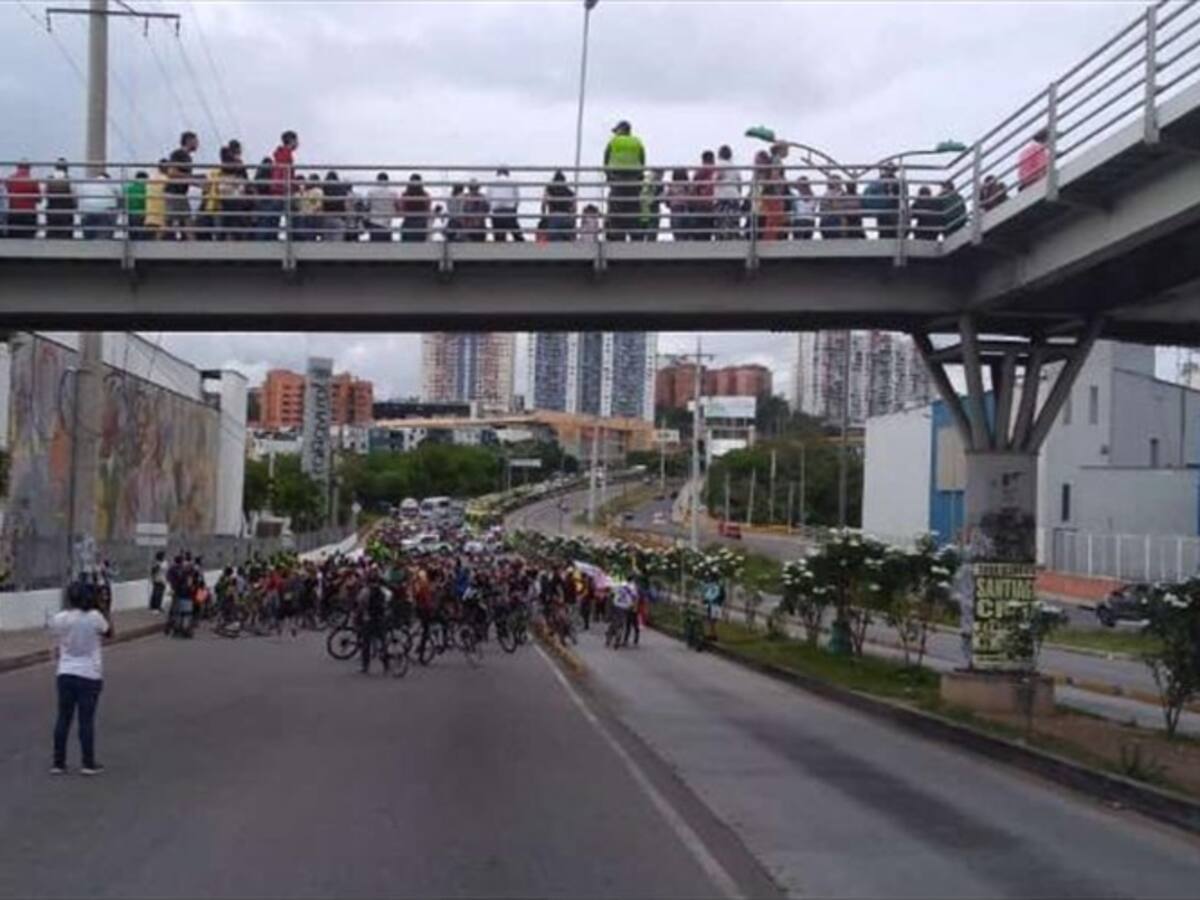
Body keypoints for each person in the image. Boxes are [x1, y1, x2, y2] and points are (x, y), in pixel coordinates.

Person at [50, 582, 113, 775]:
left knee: (63, 718)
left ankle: (58, 763)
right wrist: (103, 607)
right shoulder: (95, 618)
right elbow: (110, 632)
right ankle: (88, 762)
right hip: (89, 673)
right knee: (86, 720)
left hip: (66, 672)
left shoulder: (61, 618)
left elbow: (54, 633)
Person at [603, 120, 646, 242]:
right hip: (634, 185)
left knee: (616, 216)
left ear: (621, 130)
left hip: (617, 184)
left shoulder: (613, 142)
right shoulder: (637, 143)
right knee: (634, 215)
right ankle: (636, 243)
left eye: (616, 130)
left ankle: (617, 242)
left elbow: (606, 163)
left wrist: (610, 179)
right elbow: (642, 163)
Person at [165, 131, 199, 240]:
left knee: (184, 219)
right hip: (174, 193)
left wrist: (196, 182)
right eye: (196, 141)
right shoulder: (178, 154)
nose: (198, 144)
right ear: (189, 141)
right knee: (174, 221)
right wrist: (191, 178)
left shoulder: (188, 157)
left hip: (180, 193)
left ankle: (191, 243)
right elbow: (171, 172)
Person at [270, 129, 300, 237]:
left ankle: (273, 238)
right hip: (283, 190)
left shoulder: (280, 154)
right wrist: (293, 187)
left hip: (277, 190)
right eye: (296, 140)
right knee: (294, 216)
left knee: (274, 219)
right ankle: (294, 239)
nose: (298, 143)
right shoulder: (287, 155)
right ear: (291, 141)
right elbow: (286, 174)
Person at [77, 172, 119, 240]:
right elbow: (119, 194)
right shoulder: (110, 183)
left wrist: (81, 214)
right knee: (103, 239)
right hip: (104, 213)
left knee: (88, 238)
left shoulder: (87, 184)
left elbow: (80, 199)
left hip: (87, 212)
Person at [864, 163, 900, 239]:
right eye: (887, 169)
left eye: (890, 170)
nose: (888, 172)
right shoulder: (882, 181)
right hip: (886, 212)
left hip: (891, 211)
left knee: (889, 233)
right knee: (885, 232)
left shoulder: (895, 182)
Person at [713, 145, 743, 239]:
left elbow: (716, 178)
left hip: (722, 197)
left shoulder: (719, 165)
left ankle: (722, 238)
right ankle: (734, 236)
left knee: (721, 222)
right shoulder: (735, 168)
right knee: (733, 221)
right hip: (734, 197)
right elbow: (739, 184)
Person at [4, 161, 39, 239]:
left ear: (17, 167)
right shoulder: (33, 180)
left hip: (14, 215)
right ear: (29, 168)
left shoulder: (9, 179)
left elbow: (5, 195)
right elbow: (38, 199)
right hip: (29, 216)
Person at [488, 167, 523, 242]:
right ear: (507, 173)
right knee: (518, 237)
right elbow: (518, 199)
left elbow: (488, 199)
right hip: (509, 212)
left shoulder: (491, 182)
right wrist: (514, 211)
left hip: (496, 213)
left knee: (499, 240)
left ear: (497, 173)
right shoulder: (513, 181)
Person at [44, 160, 76, 239]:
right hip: (66, 212)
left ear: (55, 168)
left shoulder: (49, 179)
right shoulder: (69, 179)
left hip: (52, 210)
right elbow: (74, 196)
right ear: (66, 168)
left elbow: (45, 194)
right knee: (66, 237)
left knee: (51, 235)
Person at [541, 170, 575, 241]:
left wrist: (544, 217)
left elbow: (544, 204)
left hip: (554, 216)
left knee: (555, 244)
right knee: (566, 243)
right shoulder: (569, 192)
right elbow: (573, 208)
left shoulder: (549, 189)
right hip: (566, 217)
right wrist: (572, 220)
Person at [691, 150, 717, 240]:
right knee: (709, 231)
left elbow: (694, 188)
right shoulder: (715, 171)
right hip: (712, 205)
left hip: (701, 205)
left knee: (701, 233)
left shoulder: (700, 171)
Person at [366, 172, 398, 242]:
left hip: (374, 223)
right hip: (387, 224)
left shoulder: (371, 192)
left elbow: (367, 206)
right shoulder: (393, 193)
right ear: (387, 181)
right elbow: (397, 207)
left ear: (377, 180)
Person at [399, 174, 431, 242]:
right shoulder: (425, 195)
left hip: (408, 223)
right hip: (421, 224)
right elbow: (428, 210)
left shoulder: (405, 195)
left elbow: (402, 210)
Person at [636, 168, 665, 241]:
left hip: (642, 210)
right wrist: (656, 199)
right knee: (651, 236)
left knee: (640, 237)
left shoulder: (646, 179)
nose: (662, 176)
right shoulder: (654, 182)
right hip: (651, 209)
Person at [322, 171, 351, 241]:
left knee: (326, 243)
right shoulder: (342, 188)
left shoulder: (324, 187)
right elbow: (346, 205)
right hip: (339, 218)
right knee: (338, 245)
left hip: (326, 218)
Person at [144, 160, 168, 239]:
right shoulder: (166, 179)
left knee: (149, 234)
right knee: (160, 232)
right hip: (161, 209)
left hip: (150, 210)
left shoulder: (151, 178)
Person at [666, 168, 692, 241]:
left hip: (675, 210)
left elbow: (667, 201)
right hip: (686, 210)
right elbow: (691, 198)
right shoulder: (688, 185)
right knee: (687, 236)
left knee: (677, 236)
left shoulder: (671, 186)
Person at [124, 171, 148, 240]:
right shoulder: (146, 188)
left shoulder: (129, 188)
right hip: (143, 214)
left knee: (132, 234)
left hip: (131, 213)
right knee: (142, 236)